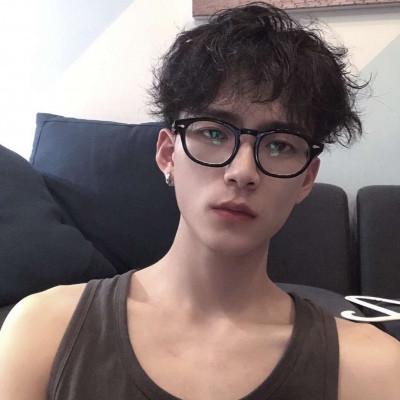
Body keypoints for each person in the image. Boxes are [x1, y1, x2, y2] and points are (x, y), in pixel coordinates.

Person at [0, 2, 399, 400]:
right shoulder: (44, 331)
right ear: (167, 154)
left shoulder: (372, 370)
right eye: (214, 134)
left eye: (279, 145)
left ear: (306, 180)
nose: (243, 171)